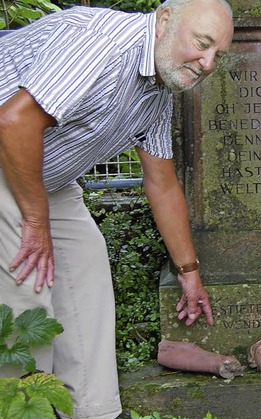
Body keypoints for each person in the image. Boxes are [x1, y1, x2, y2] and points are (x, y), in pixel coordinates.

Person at [0, 0, 233, 417]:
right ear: (164, 21)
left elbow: (161, 183)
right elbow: (13, 123)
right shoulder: (101, 43)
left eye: (219, 53)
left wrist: (189, 274)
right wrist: (36, 223)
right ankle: (19, 407)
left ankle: (94, 411)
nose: (209, 63)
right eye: (202, 43)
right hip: (7, 156)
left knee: (86, 285)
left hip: (45, 176)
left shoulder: (158, 87)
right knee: (29, 296)